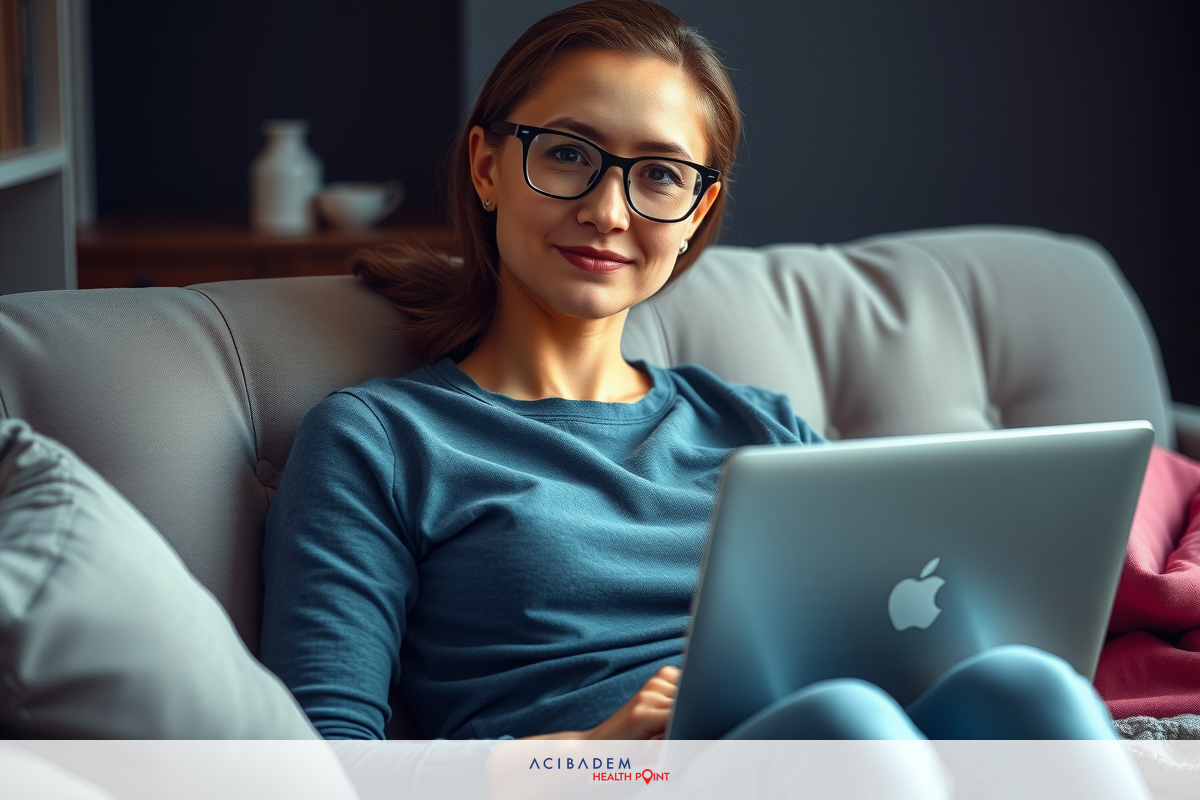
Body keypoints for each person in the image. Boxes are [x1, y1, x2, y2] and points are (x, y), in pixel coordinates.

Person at [259, 0, 1119, 744]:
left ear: (696, 210)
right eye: (567, 154)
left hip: (832, 749)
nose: (606, 211)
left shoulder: (758, 426)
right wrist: (596, 751)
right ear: (489, 166)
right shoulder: (381, 439)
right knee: (844, 727)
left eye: (660, 175)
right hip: (600, 779)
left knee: (1025, 686)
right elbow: (329, 761)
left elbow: (889, 642)